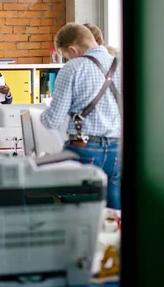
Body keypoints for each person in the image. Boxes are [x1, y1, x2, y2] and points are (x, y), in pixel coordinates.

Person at [40, 23, 122, 209]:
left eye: (66, 56)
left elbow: (53, 120)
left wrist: (43, 117)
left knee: (84, 212)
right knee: (114, 209)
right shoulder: (120, 64)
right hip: (118, 148)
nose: (67, 59)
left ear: (72, 49)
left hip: (85, 148)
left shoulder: (73, 68)